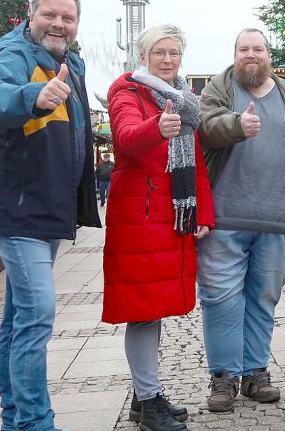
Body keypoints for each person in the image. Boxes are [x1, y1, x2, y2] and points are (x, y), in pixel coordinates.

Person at [0, 0, 102, 431]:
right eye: (50, 15)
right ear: (32, 16)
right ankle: (34, 422)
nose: (59, 24)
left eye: (68, 18)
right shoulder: (13, 54)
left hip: (47, 207)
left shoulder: (70, 64)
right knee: (38, 312)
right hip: (18, 207)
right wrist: (32, 97)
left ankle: (16, 419)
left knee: (19, 316)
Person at [197, 28, 285, 412]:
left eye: (258, 49)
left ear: (269, 54)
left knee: (264, 299)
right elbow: (204, 127)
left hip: (281, 218)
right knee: (220, 298)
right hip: (224, 218)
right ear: (234, 54)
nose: (251, 55)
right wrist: (237, 125)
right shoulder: (218, 89)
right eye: (243, 49)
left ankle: (255, 373)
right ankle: (223, 377)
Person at [103, 24, 214, 431]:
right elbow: (126, 139)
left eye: (174, 53)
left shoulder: (182, 98)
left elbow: (195, 160)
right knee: (144, 311)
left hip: (169, 216)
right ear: (143, 54)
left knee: (154, 309)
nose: (168, 60)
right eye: (159, 53)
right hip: (141, 216)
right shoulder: (127, 90)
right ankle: (149, 403)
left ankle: (143, 395)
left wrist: (202, 212)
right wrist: (157, 129)